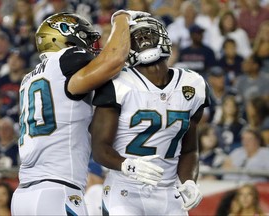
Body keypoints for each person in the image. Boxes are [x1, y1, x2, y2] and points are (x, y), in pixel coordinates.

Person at [10, 10, 150, 216]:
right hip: (57, 189)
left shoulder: (29, 79)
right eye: (84, 39)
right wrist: (122, 18)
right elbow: (114, 60)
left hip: (26, 193)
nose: (89, 47)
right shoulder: (63, 60)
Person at [90, 16, 210, 215]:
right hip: (125, 189)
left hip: (170, 192)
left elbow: (189, 149)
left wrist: (188, 182)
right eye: (136, 36)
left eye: (149, 33)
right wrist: (127, 165)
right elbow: (99, 147)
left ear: (164, 38)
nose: (144, 39)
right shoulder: (118, 84)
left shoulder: (192, 84)